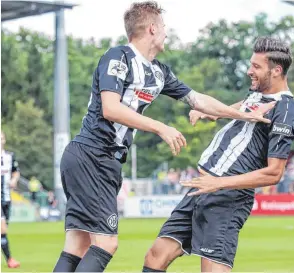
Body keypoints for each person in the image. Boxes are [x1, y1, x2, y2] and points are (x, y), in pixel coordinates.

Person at [52, 2, 274, 272]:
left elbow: (198, 100)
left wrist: (241, 114)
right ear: (152, 29)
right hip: (92, 155)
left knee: (77, 244)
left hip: (102, 161)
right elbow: (110, 108)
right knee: (106, 243)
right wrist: (161, 127)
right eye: (165, 28)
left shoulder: (159, 72)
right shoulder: (118, 57)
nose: (167, 33)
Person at [142, 36, 294, 272]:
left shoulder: (286, 110)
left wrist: (219, 183)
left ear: (276, 70)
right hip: (202, 187)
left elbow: (275, 173)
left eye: (256, 67)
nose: (249, 71)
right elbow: (244, 106)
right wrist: (212, 113)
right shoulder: (258, 94)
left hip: (229, 197)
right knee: (155, 257)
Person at [1, 132, 20, 268]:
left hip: (6, 198)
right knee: (2, 229)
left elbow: (15, 171)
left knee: (3, 229)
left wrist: (14, 180)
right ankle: (10, 260)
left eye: (1, 138)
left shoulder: (9, 156)